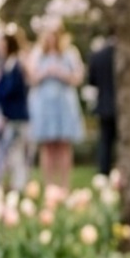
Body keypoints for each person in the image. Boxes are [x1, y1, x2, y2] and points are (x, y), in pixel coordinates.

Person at [26, 17, 85, 191]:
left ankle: (65, 186)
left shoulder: (70, 52)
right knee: (48, 146)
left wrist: (61, 74)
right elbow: (31, 77)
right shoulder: (38, 52)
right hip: (45, 104)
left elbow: (78, 78)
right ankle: (50, 186)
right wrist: (45, 72)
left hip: (64, 103)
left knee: (63, 145)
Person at [0, 25, 31, 192]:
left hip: (16, 116)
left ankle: (18, 185)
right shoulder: (6, 65)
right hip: (9, 116)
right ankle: (12, 185)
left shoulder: (17, 65)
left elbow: (10, 90)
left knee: (15, 152)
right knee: (9, 152)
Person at [86, 33, 118, 176]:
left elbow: (91, 80)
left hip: (104, 103)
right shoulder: (124, 55)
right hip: (122, 106)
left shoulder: (97, 55)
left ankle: (104, 173)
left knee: (105, 142)